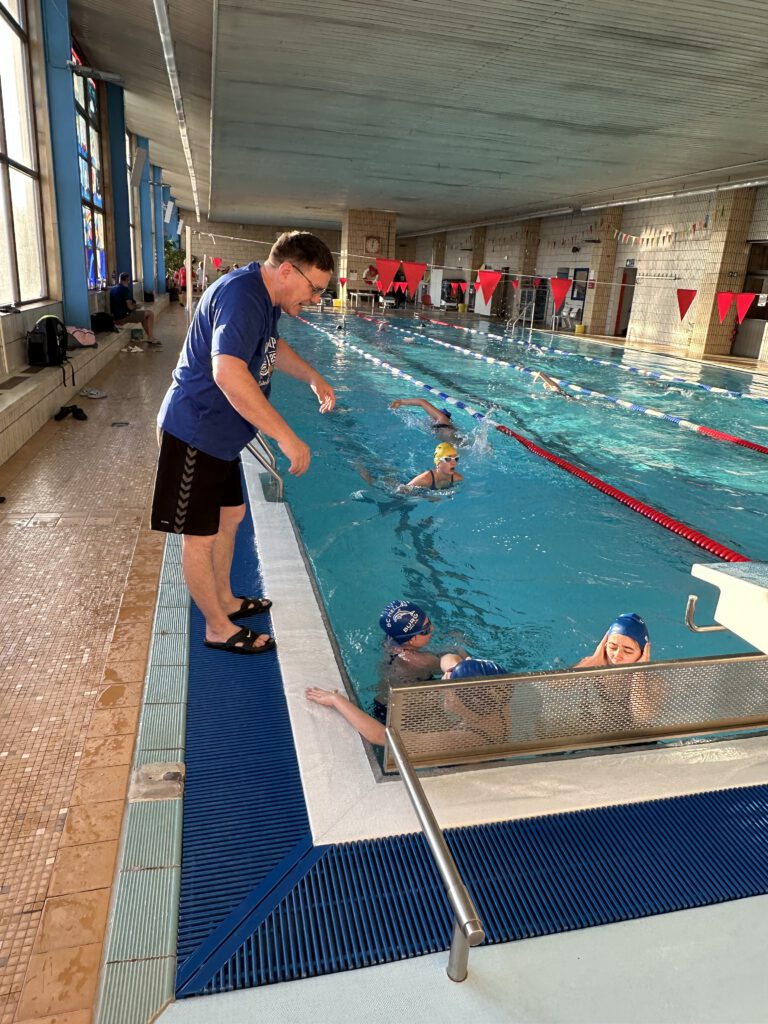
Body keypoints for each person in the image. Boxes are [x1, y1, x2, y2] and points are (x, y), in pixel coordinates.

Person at [151, 230, 336, 654]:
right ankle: (217, 627)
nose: (315, 299)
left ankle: (226, 600)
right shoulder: (242, 296)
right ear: (287, 271)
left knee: (231, 515)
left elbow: (272, 346)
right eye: (315, 289)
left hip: (220, 438)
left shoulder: (264, 296)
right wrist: (286, 437)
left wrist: (311, 376)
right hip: (194, 432)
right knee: (199, 536)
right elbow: (228, 373)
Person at [575, 612, 651, 668]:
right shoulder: (587, 665)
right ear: (605, 646)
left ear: (642, 654)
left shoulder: (651, 682)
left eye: (627, 651)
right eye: (612, 647)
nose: (617, 656)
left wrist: (639, 674)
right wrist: (594, 660)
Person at [109, 273, 158, 344]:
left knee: (143, 316)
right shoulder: (125, 290)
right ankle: (151, 337)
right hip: (124, 317)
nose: (128, 282)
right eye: (128, 281)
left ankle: (150, 337)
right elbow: (130, 307)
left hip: (115, 318)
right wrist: (137, 306)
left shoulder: (113, 289)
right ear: (126, 280)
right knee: (150, 313)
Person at [390, 397, 455, 431]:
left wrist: (400, 401)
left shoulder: (442, 419)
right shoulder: (440, 426)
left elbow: (421, 402)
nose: (430, 416)